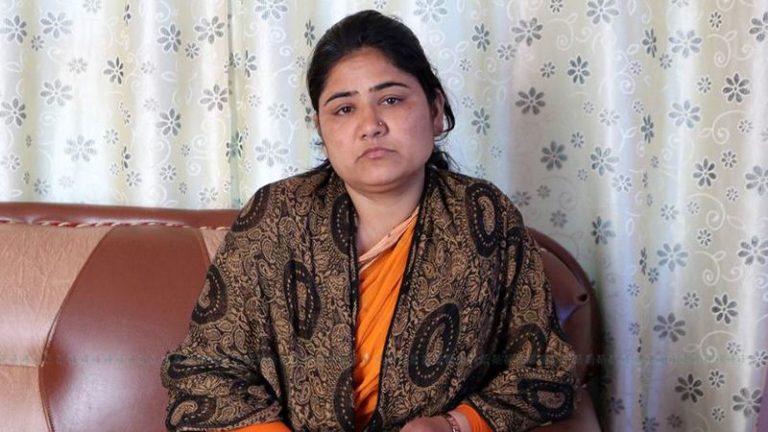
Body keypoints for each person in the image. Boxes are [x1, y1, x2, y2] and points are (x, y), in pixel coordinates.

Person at [162, 9, 577, 432]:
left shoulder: (482, 217)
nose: (370, 125)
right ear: (321, 129)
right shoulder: (276, 216)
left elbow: (545, 371)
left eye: (391, 100)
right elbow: (204, 373)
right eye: (344, 109)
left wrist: (454, 425)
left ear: (436, 109)